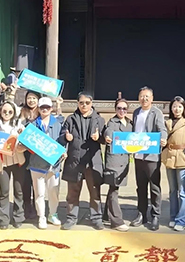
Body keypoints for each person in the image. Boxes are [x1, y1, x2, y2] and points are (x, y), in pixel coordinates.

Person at [61, 92, 105, 230]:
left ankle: (96, 218)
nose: (84, 105)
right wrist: (66, 138)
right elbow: (62, 135)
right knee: (72, 192)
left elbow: (106, 138)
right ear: (78, 104)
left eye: (87, 103)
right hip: (75, 160)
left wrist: (99, 137)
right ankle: (71, 217)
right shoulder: (71, 119)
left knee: (95, 192)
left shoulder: (99, 119)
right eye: (81, 103)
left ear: (91, 103)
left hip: (92, 161)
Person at [129, 87, 167, 231]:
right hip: (138, 156)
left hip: (151, 156)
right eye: (141, 96)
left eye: (147, 96)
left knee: (154, 187)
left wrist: (163, 138)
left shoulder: (156, 112)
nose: (144, 99)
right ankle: (141, 214)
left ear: (152, 98)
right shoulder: (136, 112)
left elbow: (162, 129)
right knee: (141, 187)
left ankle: (155, 215)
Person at [28, 97, 65, 229]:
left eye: (47, 107)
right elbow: (27, 141)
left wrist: (64, 151)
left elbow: (63, 140)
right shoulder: (32, 125)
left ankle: (53, 214)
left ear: (51, 109)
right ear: (38, 109)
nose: (45, 109)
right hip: (37, 164)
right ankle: (42, 216)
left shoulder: (58, 123)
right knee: (39, 193)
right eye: (42, 107)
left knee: (54, 191)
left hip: (54, 164)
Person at [162, 96, 185, 232]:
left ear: (184, 108)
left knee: (182, 192)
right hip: (169, 157)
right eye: (174, 106)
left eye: (180, 106)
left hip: (182, 158)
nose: (177, 109)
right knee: (172, 190)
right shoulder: (166, 123)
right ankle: (173, 217)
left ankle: (182, 220)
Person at [0, 101, 26, 230]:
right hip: (2, 163)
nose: (7, 114)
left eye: (10, 112)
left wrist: (21, 145)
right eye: (4, 111)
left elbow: (25, 143)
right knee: (4, 191)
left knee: (19, 191)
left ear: (14, 113)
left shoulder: (19, 126)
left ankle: (18, 217)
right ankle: (4, 219)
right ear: (0, 112)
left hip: (17, 161)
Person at [103, 98, 134, 232]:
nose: (122, 111)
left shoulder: (130, 124)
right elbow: (108, 131)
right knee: (114, 189)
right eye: (119, 108)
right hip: (114, 161)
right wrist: (107, 137)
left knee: (114, 188)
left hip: (124, 161)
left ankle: (106, 215)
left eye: (124, 109)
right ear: (115, 109)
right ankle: (116, 221)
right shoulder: (112, 122)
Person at [19, 90, 42, 220]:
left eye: (34, 98)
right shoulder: (22, 112)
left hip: (37, 153)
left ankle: (38, 208)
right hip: (24, 152)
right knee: (25, 181)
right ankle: (27, 207)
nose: (31, 100)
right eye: (29, 98)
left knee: (37, 182)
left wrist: (59, 105)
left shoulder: (42, 112)